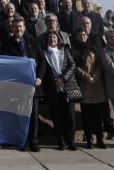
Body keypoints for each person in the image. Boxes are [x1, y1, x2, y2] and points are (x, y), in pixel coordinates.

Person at [4, 17, 46, 152]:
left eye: (21, 26)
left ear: (24, 27)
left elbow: (42, 61)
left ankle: (34, 141)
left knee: (33, 115)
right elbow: (6, 64)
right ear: (12, 28)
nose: (18, 29)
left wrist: (39, 77)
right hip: (18, 86)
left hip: (34, 84)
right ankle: (23, 141)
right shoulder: (8, 43)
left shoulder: (33, 41)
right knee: (20, 114)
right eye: (16, 27)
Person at [70, 28, 108, 149]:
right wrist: (87, 77)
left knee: (98, 115)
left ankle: (100, 139)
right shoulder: (74, 50)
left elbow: (99, 65)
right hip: (83, 84)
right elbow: (74, 67)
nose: (82, 36)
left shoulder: (94, 48)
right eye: (80, 35)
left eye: (84, 34)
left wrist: (95, 77)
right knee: (86, 114)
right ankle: (89, 140)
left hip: (96, 84)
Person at [43, 30, 78, 151]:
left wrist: (63, 79)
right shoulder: (44, 53)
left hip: (67, 87)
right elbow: (44, 70)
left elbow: (72, 65)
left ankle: (71, 141)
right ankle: (61, 141)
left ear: (58, 39)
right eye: (50, 38)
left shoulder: (65, 50)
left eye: (54, 37)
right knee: (56, 117)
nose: (52, 39)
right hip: (53, 89)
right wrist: (54, 80)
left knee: (70, 117)